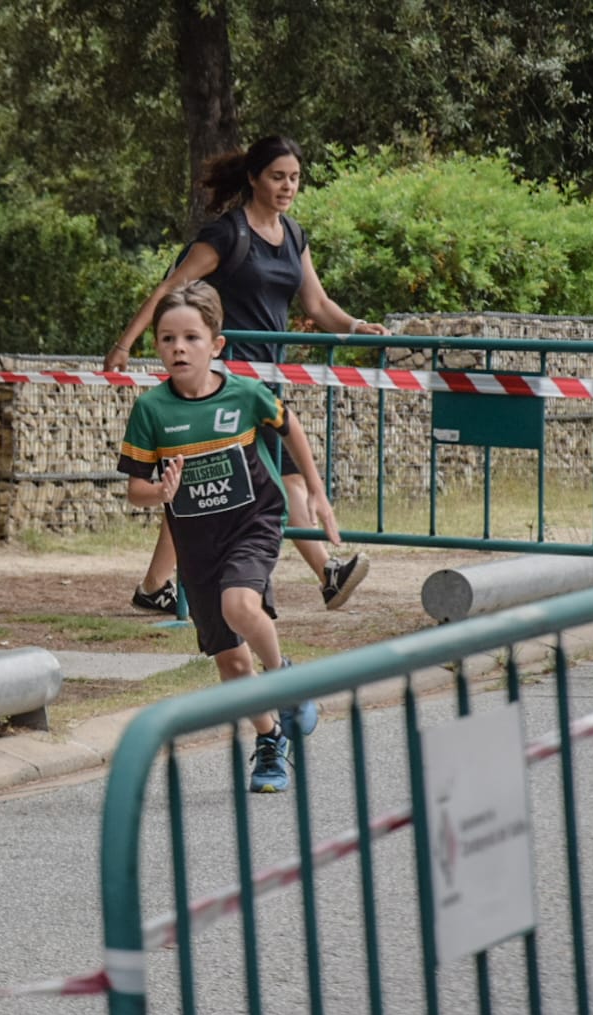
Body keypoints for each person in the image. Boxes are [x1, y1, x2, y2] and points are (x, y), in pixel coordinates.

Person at [105, 135, 387, 615]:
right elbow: (170, 290)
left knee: (205, 485)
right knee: (272, 480)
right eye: (277, 177)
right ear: (254, 178)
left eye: (294, 178)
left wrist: (358, 328)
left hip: (265, 383)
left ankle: (155, 586)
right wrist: (125, 343)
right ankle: (327, 573)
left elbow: (317, 305)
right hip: (225, 385)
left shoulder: (294, 235)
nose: (287, 186)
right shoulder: (226, 236)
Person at [118, 281, 330, 792]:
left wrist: (318, 493)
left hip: (251, 523)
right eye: (167, 339)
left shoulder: (243, 393)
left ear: (215, 345)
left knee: (241, 606)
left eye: (191, 337)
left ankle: (285, 681)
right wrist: (162, 491)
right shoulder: (152, 410)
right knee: (231, 660)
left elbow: (288, 425)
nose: (178, 348)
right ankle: (270, 739)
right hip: (197, 542)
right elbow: (134, 491)